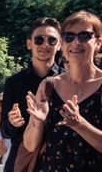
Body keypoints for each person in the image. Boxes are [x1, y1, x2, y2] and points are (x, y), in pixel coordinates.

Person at [23, 10, 102, 171]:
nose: (75, 43)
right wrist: (37, 122)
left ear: (99, 43)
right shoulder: (48, 85)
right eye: (68, 37)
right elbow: (30, 146)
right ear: (63, 44)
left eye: (84, 36)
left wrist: (79, 124)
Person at [0, 17, 63, 172]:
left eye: (52, 40)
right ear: (29, 44)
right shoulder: (14, 82)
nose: (45, 45)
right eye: (39, 39)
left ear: (60, 45)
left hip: (59, 159)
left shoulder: (69, 80)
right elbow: (4, 131)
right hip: (22, 160)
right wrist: (12, 123)